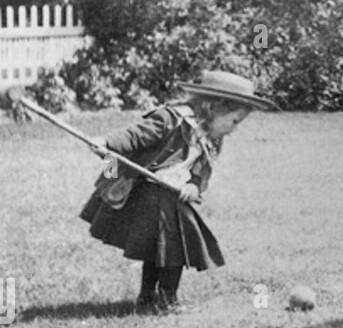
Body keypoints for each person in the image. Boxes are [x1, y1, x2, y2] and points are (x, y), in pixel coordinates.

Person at [81, 70, 277, 314]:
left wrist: (193, 185)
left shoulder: (213, 137)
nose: (234, 128)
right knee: (166, 250)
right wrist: (107, 143)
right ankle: (158, 299)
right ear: (215, 107)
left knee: (164, 249)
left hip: (174, 196)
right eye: (234, 120)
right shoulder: (169, 119)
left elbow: (200, 169)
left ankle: (158, 298)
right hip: (151, 193)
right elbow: (135, 136)